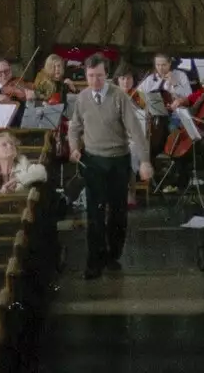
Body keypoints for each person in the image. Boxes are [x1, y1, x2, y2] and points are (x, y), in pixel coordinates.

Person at [68, 53, 152, 280]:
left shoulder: (119, 97)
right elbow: (74, 126)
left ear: (107, 75)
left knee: (117, 211)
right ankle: (94, 261)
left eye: (99, 76)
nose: (95, 81)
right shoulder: (82, 98)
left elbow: (136, 130)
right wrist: (74, 146)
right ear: (86, 75)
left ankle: (113, 254)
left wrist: (144, 161)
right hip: (93, 161)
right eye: (91, 76)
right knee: (94, 213)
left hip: (118, 160)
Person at [0, 130, 48, 195]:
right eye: (4, 145)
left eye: (12, 144)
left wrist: (18, 179)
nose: (10, 146)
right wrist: (1, 194)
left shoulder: (24, 165)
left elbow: (42, 172)